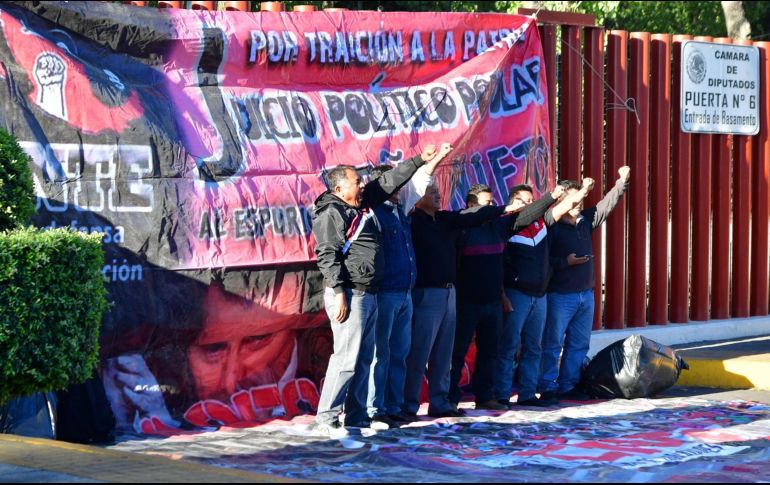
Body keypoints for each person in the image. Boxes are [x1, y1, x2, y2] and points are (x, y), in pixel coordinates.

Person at [311, 144, 449, 437]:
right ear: (338, 187)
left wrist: (419, 159)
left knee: (362, 358)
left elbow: (388, 181)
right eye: (355, 181)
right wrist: (338, 292)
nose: (361, 184)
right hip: (349, 293)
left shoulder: (362, 203)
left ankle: (357, 415)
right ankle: (326, 417)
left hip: (370, 291)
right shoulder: (331, 212)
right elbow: (327, 254)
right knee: (346, 358)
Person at [403, 183, 524, 419]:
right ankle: (408, 406)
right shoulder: (412, 220)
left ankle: (441, 402)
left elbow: (472, 215)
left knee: (444, 355)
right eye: (431, 192)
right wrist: (506, 207)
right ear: (417, 199)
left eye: (438, 192)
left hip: (450, 293)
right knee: (419, 354)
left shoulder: (446, 220)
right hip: (427, 293)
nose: (438, 195)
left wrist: (505, 209)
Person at [449, 183, 564, 411]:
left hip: (492, 301)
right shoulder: (459, 226)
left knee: (490, 352)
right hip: (466, 301)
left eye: (493, 202)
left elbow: (528, 215)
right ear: (471, 205)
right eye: (486, 203)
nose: (492, 207)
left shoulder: (499, 226)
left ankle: (485, 396)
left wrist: (551, 197)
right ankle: (450, 398)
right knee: (458, 352)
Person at [366, 150, 450, 430]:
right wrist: (422, 161)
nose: (401, 188)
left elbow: (420, 181)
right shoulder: (373, 209)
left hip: (405, 293)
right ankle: (374, 408)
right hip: (385, 293)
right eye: (395, 182)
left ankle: (394, 406)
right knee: (381, 354)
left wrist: (434, 160)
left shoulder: (400, 210)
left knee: (400, 353)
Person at [494, 179, 594, 408]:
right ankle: (500, 393)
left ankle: (528, 393)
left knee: (534, 347)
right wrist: (503, 296)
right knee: (509, 346)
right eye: (524, 201)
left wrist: (585, 189)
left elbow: (565, 205)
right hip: (516, 293)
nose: (530, 205)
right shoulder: (508, 225)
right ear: (512, 204)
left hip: (539, 296)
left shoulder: (543, 224)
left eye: (532, 201)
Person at [539, 166, 631, 401]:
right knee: (552, 344)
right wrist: (565, 262)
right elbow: (541, 261)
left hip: (585, 294)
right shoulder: (552, 226)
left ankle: (568, 385)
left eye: (581, 197)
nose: (579, 203)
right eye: (574, 198)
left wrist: (621, 182)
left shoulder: (584, 221)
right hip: (559, 295)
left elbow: (605, 206)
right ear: (562, 200)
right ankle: (547, 386)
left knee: (579, 344)